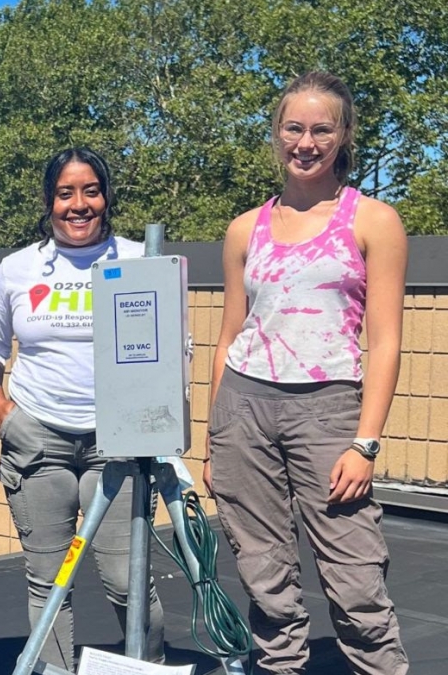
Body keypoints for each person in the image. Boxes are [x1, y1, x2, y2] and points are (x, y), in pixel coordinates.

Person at [204, 72, 409, 675]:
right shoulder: (246, 227)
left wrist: (365, 443)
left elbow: (388, 342)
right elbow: (228, 337)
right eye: (294, 127)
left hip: (330, 412)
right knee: (264, 575)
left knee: (356, 581)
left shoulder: (372, 221)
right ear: (276, 133)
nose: (306, 141)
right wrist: (216, 439)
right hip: (244, 409)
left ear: (343, 135)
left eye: (322, 129)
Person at [0, 147, 166, 669]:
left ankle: (146, 668)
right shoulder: (18, 269)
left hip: (117, 444)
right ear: (48, 201)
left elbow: (171, 347)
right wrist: (5, 416)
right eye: (65, 193)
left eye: (90, 191)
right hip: (38, 441)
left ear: (106, 197)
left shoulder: (138, 260)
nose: (78, 205)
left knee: (130, 583)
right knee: (49, 586)